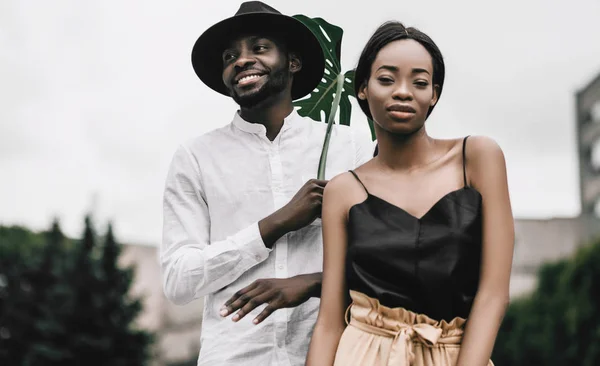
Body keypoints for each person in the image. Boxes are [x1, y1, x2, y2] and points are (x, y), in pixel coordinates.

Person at [160, 2, 375, 365]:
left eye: (259, 48)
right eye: (231, 56)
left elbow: (385, 260)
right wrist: (273, 226)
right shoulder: (195, 157)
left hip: (334, 353)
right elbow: (179, 281)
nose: (242, 60)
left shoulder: (350, 147)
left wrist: (312, 283)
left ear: (292, 62)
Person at [306, 21, 514, 366]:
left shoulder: (477, 157)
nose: (403, 92)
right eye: (387, 79)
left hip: (454, 353)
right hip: (363, 354)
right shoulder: (343, 189)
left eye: (419, 82)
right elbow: (330, 319)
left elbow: (493, 295)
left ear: (433, 93)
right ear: (362, 89)